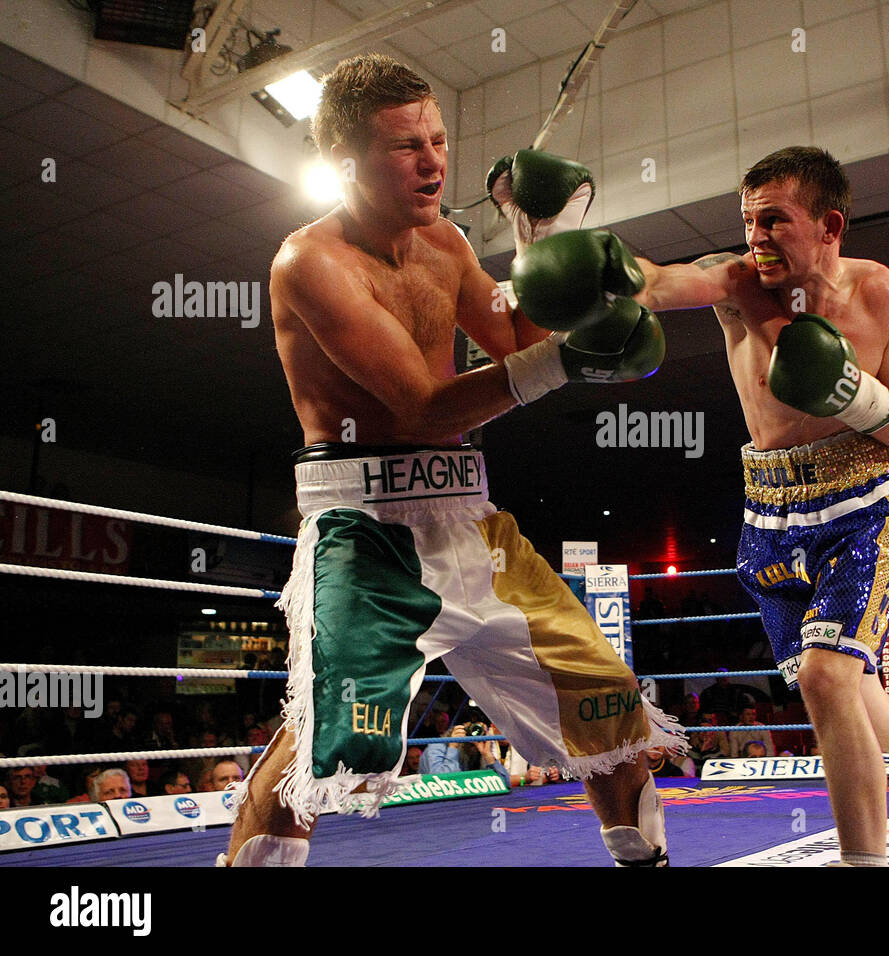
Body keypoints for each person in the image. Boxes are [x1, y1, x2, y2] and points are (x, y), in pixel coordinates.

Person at [221, 53, 682, 869]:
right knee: (333, 742)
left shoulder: (446, 242)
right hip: (365, 533)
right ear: (345, 161)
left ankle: (645, 861)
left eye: (438, 139)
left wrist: (543, 246)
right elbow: (423, 408)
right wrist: (574, 361)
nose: (434, 160)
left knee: (604, 697)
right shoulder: (310, 264)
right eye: (406, 146)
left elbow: (513, 342)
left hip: (470, 518)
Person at [624, 145, 889, 866]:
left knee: (828, 679)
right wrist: (565, 245)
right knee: (863, 705)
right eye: (748, 221)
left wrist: (856, 395)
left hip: (867, 504)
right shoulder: (737, 282)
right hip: (768, 514)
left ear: (829, 224)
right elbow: (657, 283)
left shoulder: (886, 294)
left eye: (773, 221)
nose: (756, 238)